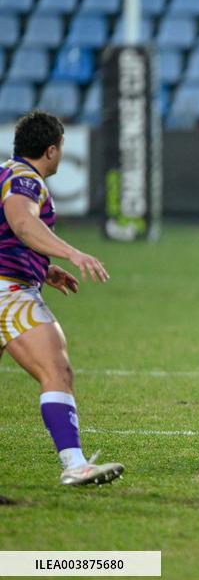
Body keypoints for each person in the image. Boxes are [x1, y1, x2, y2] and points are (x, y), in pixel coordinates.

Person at [2, 110, 122, 486]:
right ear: (52, 150)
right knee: (57, 371)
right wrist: (72, 253)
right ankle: (74, 463)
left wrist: (43, 267)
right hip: (9, 293)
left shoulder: (6, 172)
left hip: (11, 282)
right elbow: (22, 224)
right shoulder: (25, 180)